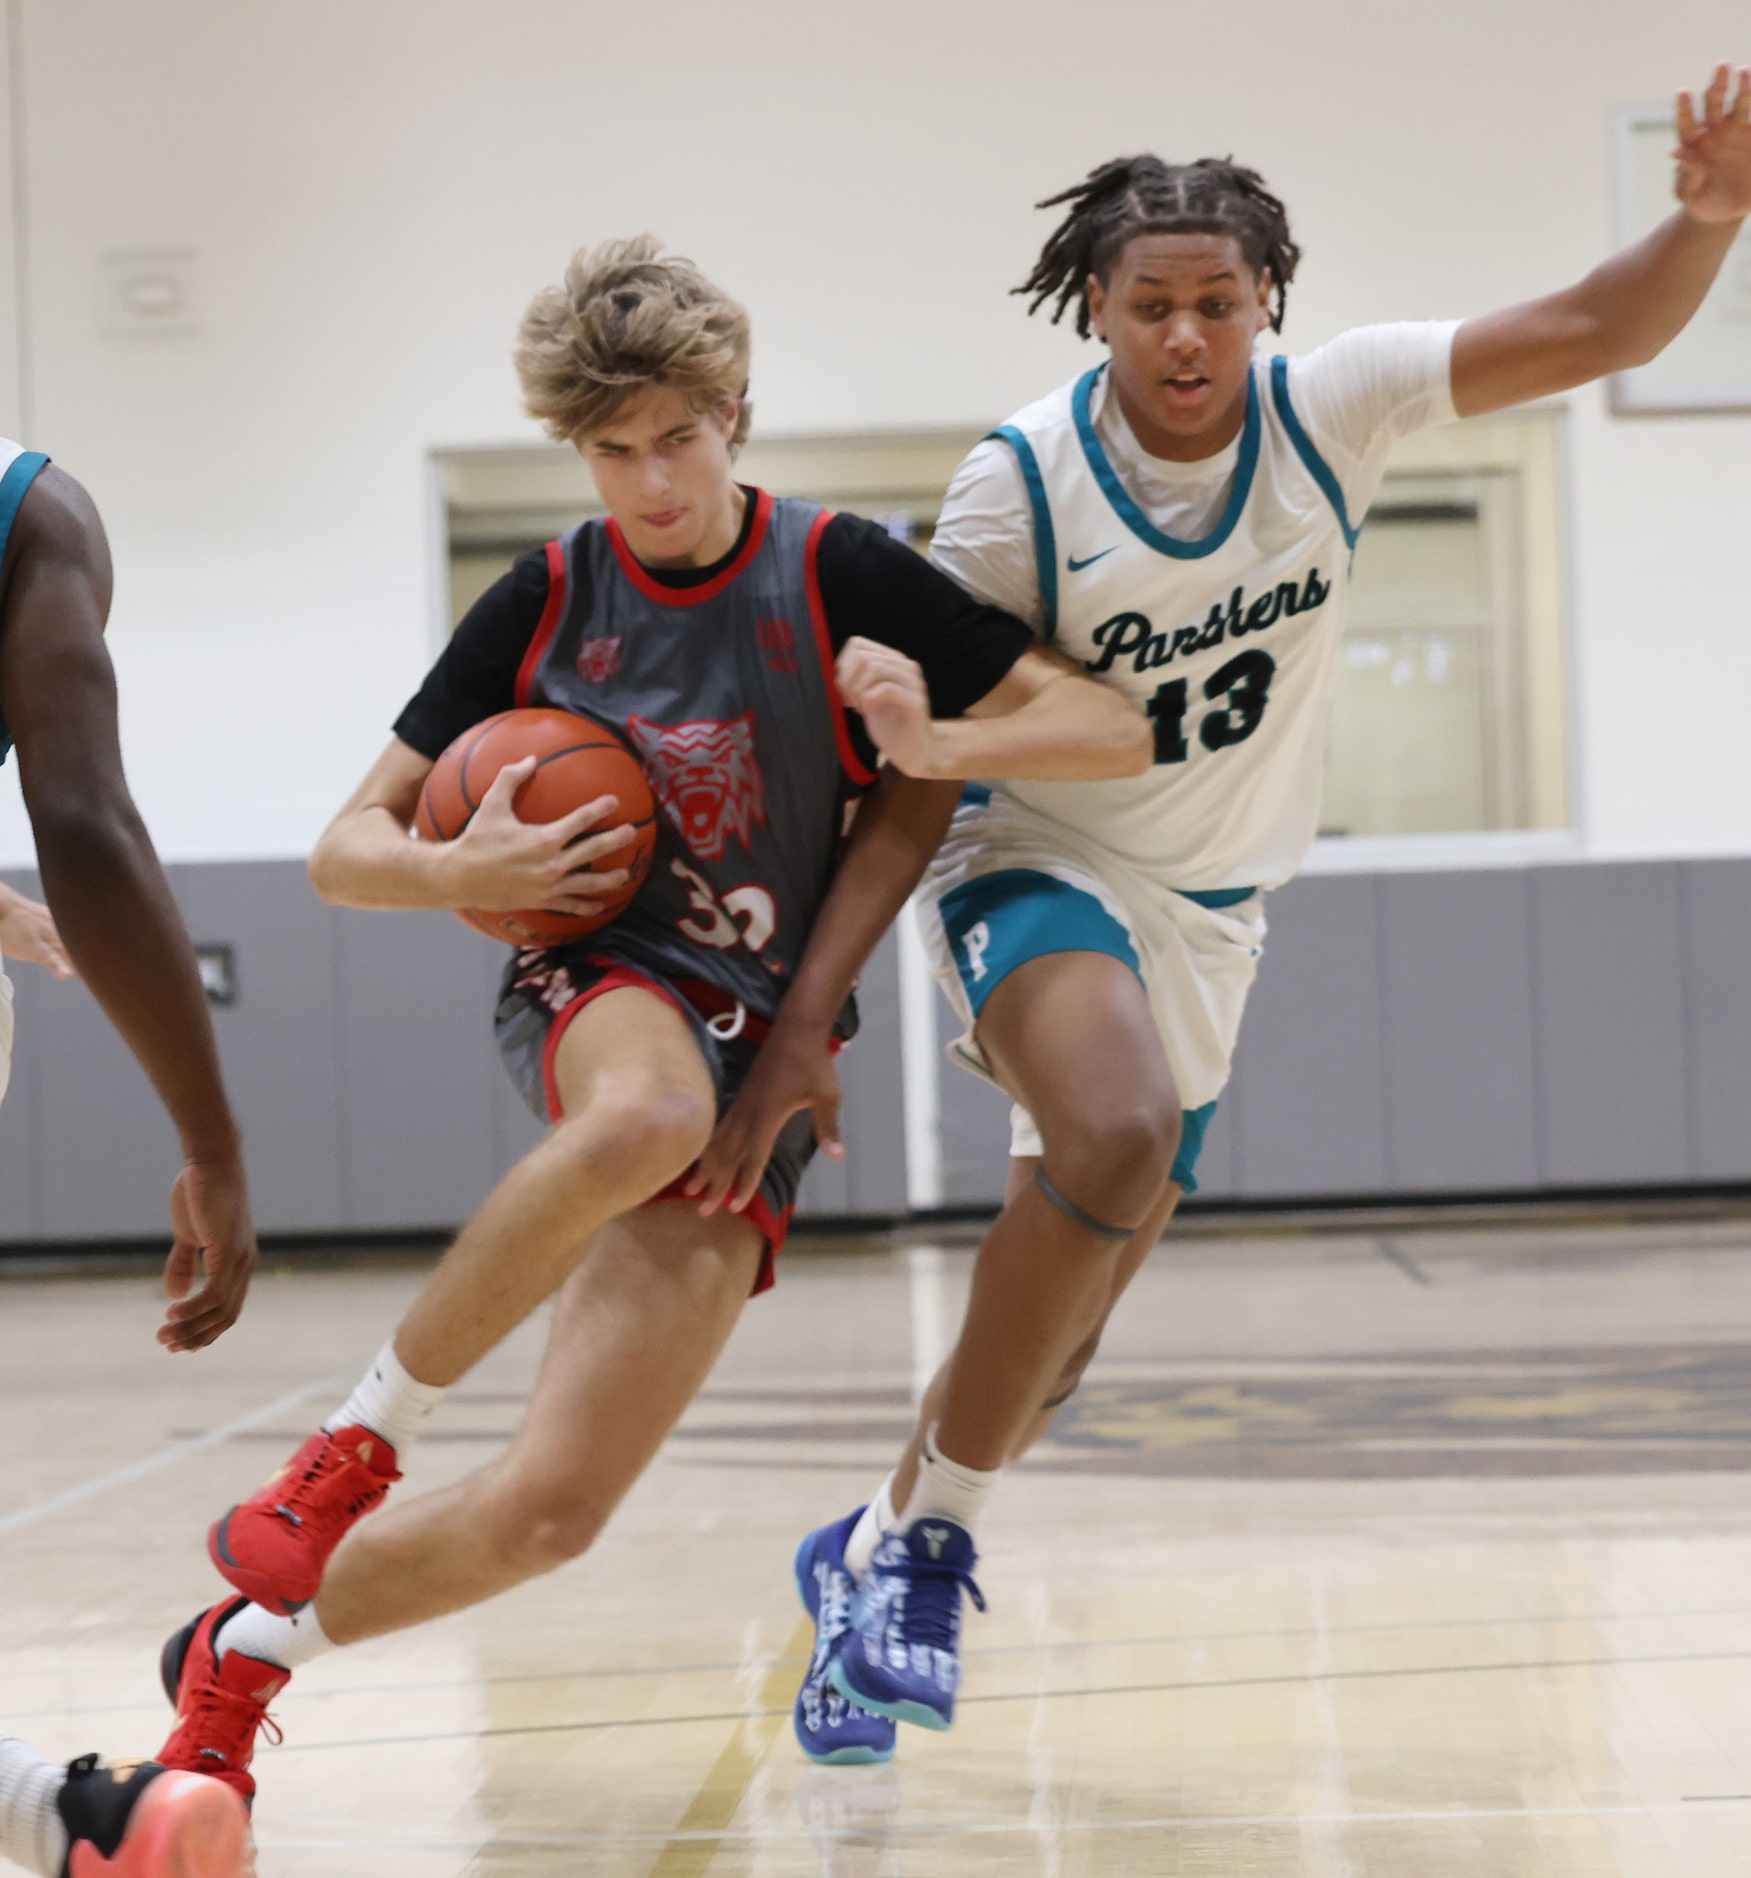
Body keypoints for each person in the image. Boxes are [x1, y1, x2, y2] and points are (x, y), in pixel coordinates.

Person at [688, 62, 1751, 1750]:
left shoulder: (1334, 407)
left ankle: (868, 1555)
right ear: (1093, 308)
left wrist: (1703, 219)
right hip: (1031, 859)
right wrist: (809, 1017)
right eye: (1149, 305)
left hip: (1214, 912)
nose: (1186, 338)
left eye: (1217, 303)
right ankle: (938, 1550)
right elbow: (917, 776)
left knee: (1044, 1369)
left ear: (1265, 303)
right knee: (1108, 1132)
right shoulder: (1015, 488)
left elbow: (1602, 328)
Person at [151, 235, 1148, 1796]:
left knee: (554, 1510)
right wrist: (454, 864)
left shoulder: (836, 572)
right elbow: (344, 853)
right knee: (649, 1110)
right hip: (599, 977)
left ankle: (239, 1657)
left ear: (735, 409)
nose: (652, 481)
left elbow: (1104, 722)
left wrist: (922, 749)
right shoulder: (546, 593)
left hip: (759, 1028)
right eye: (614, 451)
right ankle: (345, 1454)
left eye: (677, 437)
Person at [0, 444, 255, 1873]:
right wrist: (212, 1143)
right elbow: (84, 823)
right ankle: (83, 1820)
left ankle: (71, 1816)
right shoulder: (32, 509)